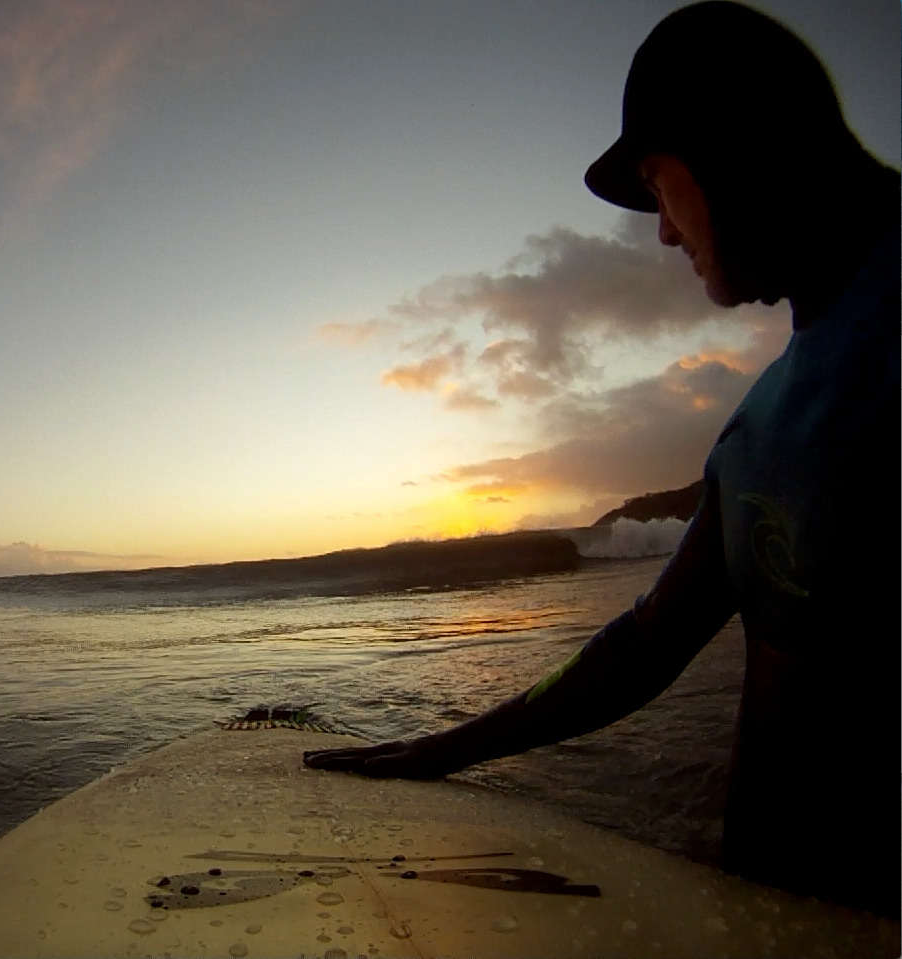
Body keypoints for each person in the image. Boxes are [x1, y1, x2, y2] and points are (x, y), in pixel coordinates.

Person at [304, 0, 900, 919]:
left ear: (733, 142)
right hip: (773, 926)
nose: (662, 233)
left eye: (659, 187)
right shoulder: (756, 434)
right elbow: (644, 646)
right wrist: (444, 747)